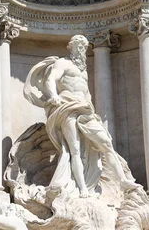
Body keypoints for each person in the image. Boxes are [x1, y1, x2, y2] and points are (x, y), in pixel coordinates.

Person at [23, 35, 137, 198]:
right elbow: (50, 78)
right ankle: (83, 189)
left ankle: (122, 180)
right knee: (74, 149)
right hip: (67, 106)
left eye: (84, 47)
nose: (82, 50)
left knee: (106, 142)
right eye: (79, 46)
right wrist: (54, 95)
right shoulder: (62, 63)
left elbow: (87, 92)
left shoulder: (83, 70)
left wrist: (92, 109)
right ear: (71, 47)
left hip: (85, 109)